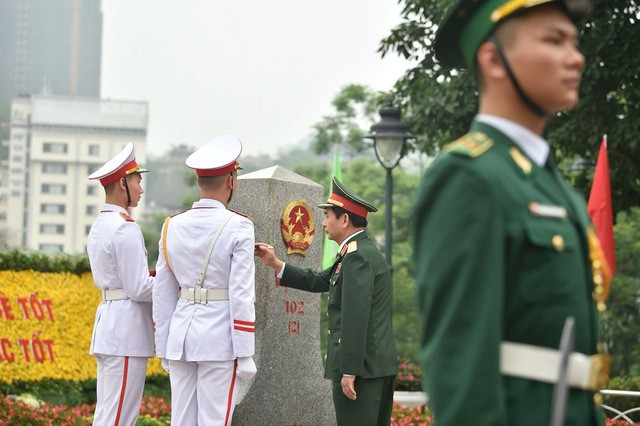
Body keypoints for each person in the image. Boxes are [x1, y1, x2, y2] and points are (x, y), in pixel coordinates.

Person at [413, 0, 611, 424]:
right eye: (554, 40)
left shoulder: (552, 184)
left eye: (575, 42)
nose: (576, 57)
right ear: (493, 59)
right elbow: (460, 363)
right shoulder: (468, 177)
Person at [256, 177, 398, 426]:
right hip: (375, 366)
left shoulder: (357, 258)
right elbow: (322, 280)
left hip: (361, 370)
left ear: (344, 219)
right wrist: (276, 264)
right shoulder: (358, 252)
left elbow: (355, 317)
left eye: (328, 215)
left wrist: (349, 370)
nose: (322, 223)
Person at [153, 135, 256, 425]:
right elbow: (241, 293)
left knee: (182, 420)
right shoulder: (240, 226)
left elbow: (163, 293)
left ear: (199, 182)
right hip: (219, 339)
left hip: (181, 337)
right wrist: (245, 351)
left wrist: (163, 346)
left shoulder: (171, 225)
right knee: (214, 420)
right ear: (232, 180)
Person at [87, 142, 154, 425]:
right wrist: (174, 281)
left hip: (111, 325)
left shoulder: (101, 224)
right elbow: (139, 288)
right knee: (119, 418)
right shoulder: (125, 228)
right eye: (137, 181)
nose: (140, 188)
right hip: (125, 331)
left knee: (108, 414)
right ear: (121, 184)